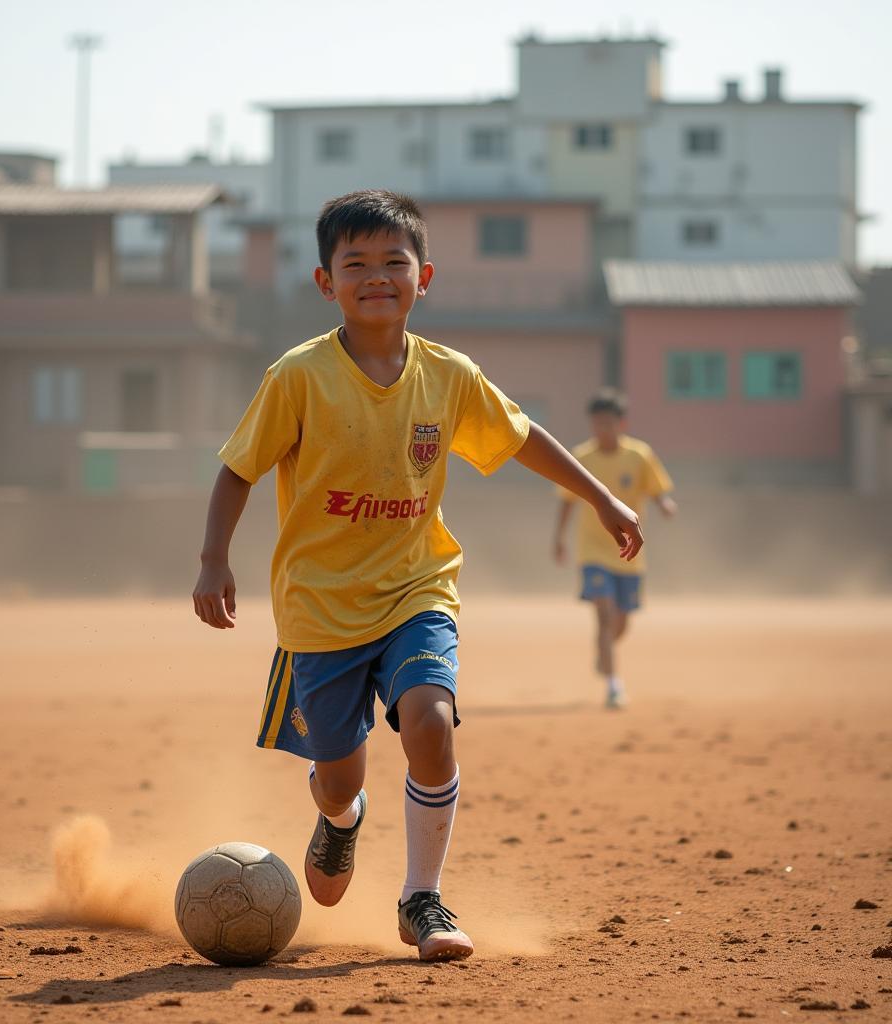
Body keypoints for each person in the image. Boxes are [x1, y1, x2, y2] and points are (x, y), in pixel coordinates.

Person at [193, 189, 644, 961]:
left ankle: (421, 899)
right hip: (322, 610)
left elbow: (522, 436)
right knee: (338, 778)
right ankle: (340, 819)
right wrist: (212, 560)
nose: (376, 276)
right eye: (355, 263)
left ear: (424, 276)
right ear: (324, 282)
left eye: (393, 261)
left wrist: (600, 495)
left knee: (432, 724)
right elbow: (238, 470)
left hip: (417, 588)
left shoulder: (448, 375)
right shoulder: (298, 375)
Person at [553, 388, 676, 709]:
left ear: (621, 423)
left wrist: (664, 504)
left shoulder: (639, 455)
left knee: (621, 622)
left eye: (608, 422)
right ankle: (613, 685)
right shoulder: (581, 457)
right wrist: (559, 538)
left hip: (629, 553)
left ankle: (603, 652)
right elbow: (567, 500)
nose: (602, 429)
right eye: (597, 423)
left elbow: (656, 488)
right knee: (605, 617)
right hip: (593, 551)